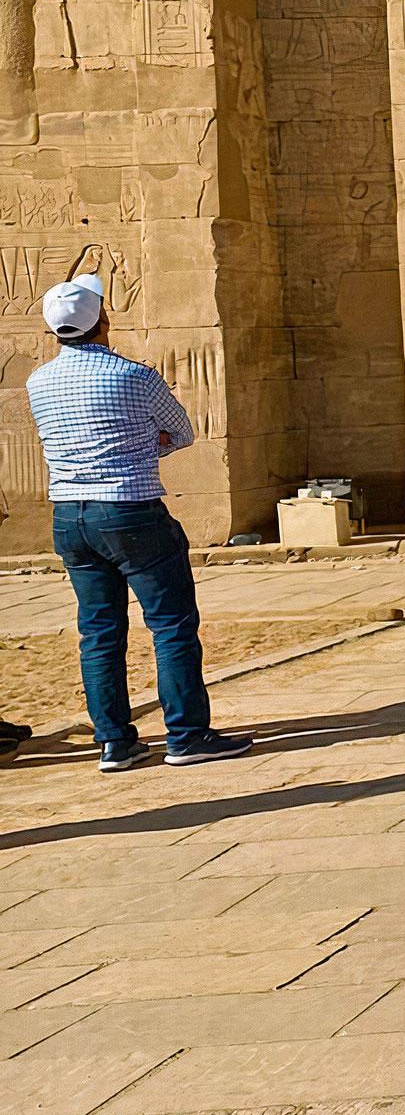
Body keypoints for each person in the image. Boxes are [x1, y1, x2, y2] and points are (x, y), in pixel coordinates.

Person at [25, 272, 253, 773]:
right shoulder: (135, 376)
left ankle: (114, 741)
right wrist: (141, 447)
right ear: (103, 321)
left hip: (69, 513)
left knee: (99, 630)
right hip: (129, 508)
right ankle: (188, 734)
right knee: (171, 624)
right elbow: (183, 432)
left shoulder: (37, 381)